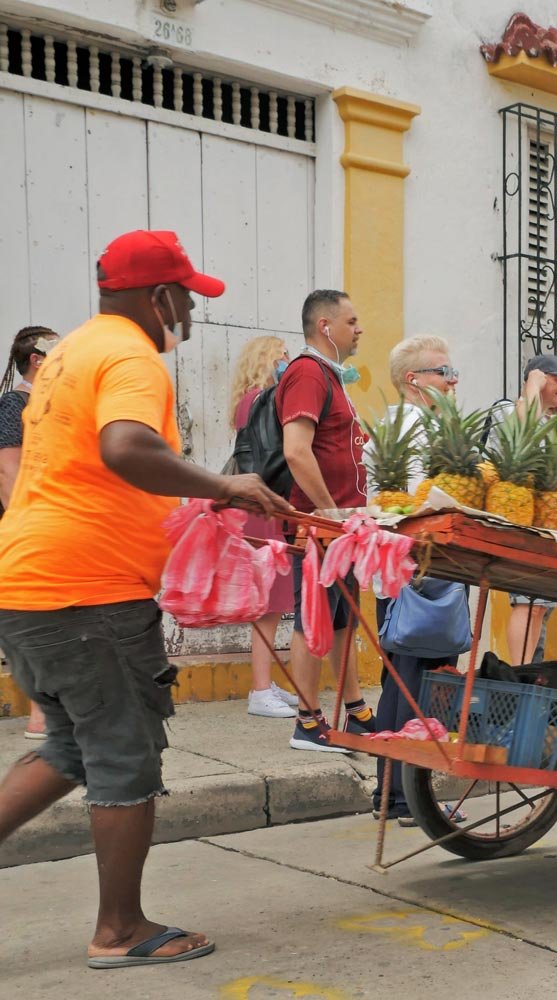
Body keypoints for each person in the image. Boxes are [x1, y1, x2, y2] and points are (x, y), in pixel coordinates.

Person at [0, 229, 291, 969]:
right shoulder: (132, 355)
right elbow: (125, 447)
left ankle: (120, 924)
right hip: (87, 593)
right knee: (125, 755)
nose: (190, 312)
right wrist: (223, 484)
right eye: (187, 296)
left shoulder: (69, 351)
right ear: (159, 296)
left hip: (30, 581)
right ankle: (119, 931)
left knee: (70, 746)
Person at [368, 335, 463, 823]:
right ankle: (404, 796)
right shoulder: (415, 427)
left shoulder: (402, 423)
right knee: (418, 685)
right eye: (443, 371)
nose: (453, 381)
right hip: (420, 569)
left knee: (402, 680)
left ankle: (392, 793)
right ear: (414, 380)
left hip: (403, 570)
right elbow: (418, 500)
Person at [277, 289, 375, 752]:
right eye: (351, 321)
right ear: (325, 327)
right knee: (311, 621)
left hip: (342, 528)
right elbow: (296, 450)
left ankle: (355, 711)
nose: (359, 330)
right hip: (320, 528)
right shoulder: (307, 373)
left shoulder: (332, 378)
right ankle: (307, 721)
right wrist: (329, 513)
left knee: (340, 621)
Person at [229, 336, 299, 718]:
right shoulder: (263, 400)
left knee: (269, 602)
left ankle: (264, 682)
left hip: (255, 508)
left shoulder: (247, 401)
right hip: (264, 508)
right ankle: (259, 690)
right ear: (267, 360)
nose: (286, 362)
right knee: (269, 605)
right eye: (282, 356)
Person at [495, 355, 557, 665]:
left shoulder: (548, 420)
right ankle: (518, 672)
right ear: (538, 379)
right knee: (527, 603)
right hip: (520, 520)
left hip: (544, 523)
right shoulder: (510, 408)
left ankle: (528, 670)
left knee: (540, 606)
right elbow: (525, 432)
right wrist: (532, 383)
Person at [0, 325, 61, 738]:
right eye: (55, 353)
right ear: (37, 360)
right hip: (23, 526)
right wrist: (26, 526)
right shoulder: (13, 405)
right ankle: (43, 716)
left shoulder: (47, 405)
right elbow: (8, 470)